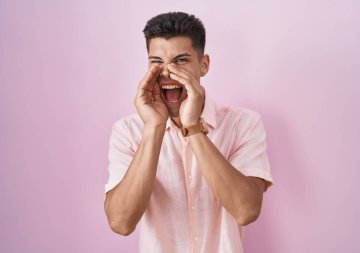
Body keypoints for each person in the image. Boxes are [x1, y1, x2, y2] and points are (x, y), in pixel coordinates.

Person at [104, 11, 273, 253]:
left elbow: (246, 210)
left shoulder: (243, 124)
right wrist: (154, 128)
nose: (166, 72)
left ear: (203, 65)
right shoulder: (127, 131)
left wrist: (193, 127)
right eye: (156, 62)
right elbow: (120, 222)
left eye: (181, 60)